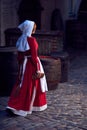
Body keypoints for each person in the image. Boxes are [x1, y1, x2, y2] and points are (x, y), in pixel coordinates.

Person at [6, 20, 48, 117]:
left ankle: (14, 105)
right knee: (29, 85)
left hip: (23, 65)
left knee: (21, 84)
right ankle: (19, 107)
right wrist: (37, 69)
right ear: (30, 28)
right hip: (31, 65)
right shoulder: (31, 40)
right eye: (33, 28)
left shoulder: (21, 39)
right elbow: (34, 57)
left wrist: (21, 66)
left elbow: (19, 57)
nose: (34, 30)